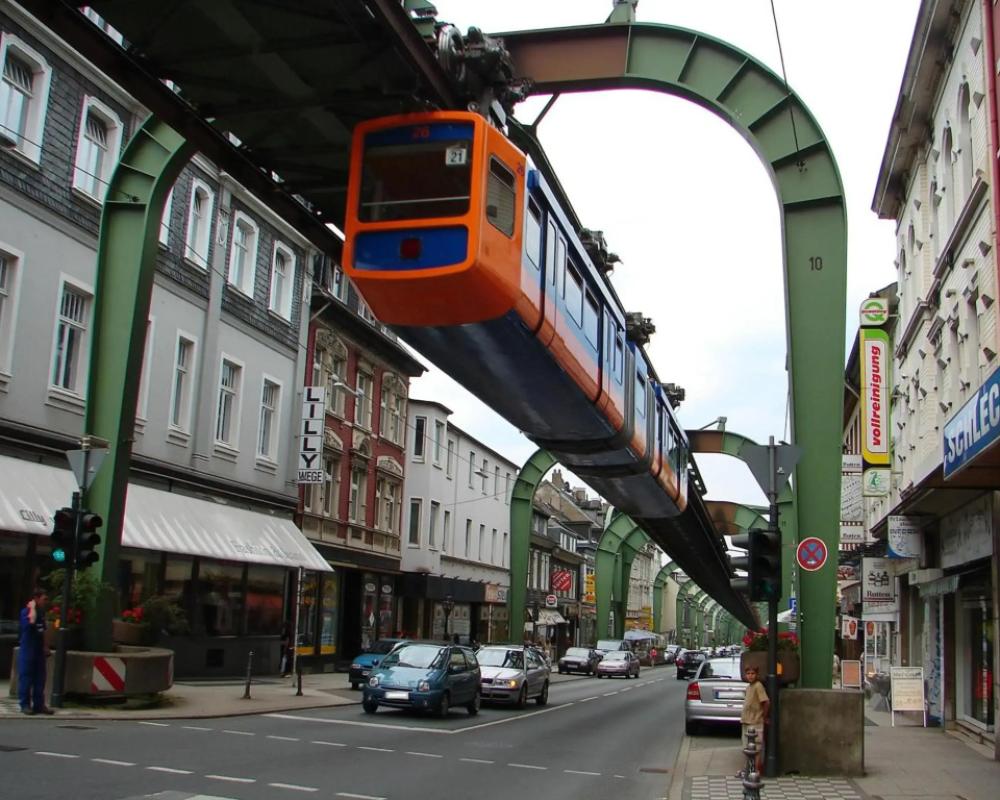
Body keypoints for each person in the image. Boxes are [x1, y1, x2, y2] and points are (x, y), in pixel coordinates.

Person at [18, 588, 53, 715]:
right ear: (36, 599)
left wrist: (46, 647)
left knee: (40, 679)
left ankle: (39, 705)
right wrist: (32, 607)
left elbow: (43, 631)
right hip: (28, 650)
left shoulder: (41, 613)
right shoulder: (26, 612)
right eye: (44, 599)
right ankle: (25, 705)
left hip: (38, 650)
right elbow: (31, 622)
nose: (45, 601)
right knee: (26, 678)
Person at [740, 665, 769, 776]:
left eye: (752, 674)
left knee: (756, 747)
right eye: (748, 674)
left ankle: (755, 771)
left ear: (756, 675)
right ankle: (748, 769)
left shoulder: (758, 686)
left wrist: (764, 717)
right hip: (746, 721)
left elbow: (766, 702)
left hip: (755, 722)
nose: (750, 676)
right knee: (746, 747)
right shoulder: (749, 687)